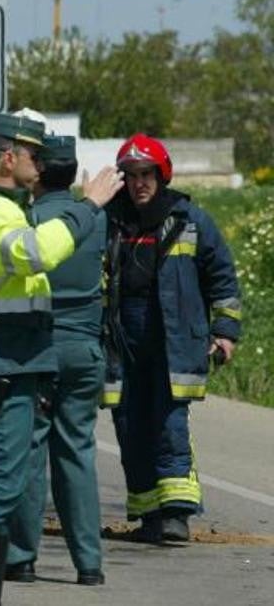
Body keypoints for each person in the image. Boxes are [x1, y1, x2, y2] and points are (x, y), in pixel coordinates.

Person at [0, 113, 123, 605]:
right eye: (33, 155)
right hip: (1, 359)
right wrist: (87, 208)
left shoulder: (7, 209)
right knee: (2, 490)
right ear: (8, 157)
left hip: (15, 358)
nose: (40, 164)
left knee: (9, 484)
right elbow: (35, 253)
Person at [103, 133, 241, 543]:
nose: (139, 183)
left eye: (147, 174)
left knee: (168, 423)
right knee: (129, 422)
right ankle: (149, 515)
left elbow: (223, 278)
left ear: (161, 176)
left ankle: (176, 515)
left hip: (173, 338)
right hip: (121, 340)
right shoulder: (109, 221)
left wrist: (225, 330)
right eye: (131, 175)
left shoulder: (190, 220)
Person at [2, 134, 107, 586]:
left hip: (39, 346)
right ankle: (89, 564)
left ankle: (21, 556)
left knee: (30, 449)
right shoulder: (95, 221)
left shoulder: (30, 220)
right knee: (77, 453)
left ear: (39, 171)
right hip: (85, 350)